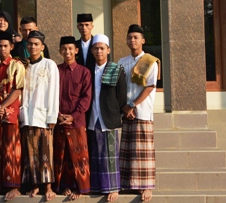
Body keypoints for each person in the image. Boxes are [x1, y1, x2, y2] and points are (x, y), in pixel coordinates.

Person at [119, 25, 159, 202]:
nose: (132, 40)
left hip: (142, 112)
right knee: (127, 151)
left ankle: (146, 187)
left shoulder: (150, 61)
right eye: (130, 37)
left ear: (143, 40)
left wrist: (133, 105)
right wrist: (124, 107)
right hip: (126, 112)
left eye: (136, 37)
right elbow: (119, 88)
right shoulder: (121, 62)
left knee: (144, 153)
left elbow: (150, 86)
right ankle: (128, 185)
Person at [19, 30, 59, 201]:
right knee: (30, 152)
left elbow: (54, 91)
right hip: (27, 115)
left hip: (43, 116)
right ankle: (35, 185)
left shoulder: (50, 65)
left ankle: (48, 187)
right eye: (30, 44)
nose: (33, 47)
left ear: (42, 47)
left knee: (45, 152)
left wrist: (52, 116)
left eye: (36, 44)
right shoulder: (24, 65)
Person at [87, 34, 127, 202]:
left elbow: (122, 96)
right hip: (92, 116)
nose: (99, 51)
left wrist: (116, 113)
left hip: (108, 116)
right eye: (96, 48)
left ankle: (113, 187)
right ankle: (96, 186)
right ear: (92, 51)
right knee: (95, 152)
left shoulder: (116, 69)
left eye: (102, 48)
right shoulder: (88, 70)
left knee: (110, 154)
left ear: (108, 50)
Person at [54, 36, 92, 200]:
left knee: (79, 157)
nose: (67, 51)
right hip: (59, 120)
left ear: (76, 51)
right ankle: (64, 186)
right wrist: (58, 115)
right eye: (64, 48)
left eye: (71, 48)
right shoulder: (55, 70)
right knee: (61, 156)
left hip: (77, 121)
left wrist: (73, 116)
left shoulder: (84, 72)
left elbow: (86, 98)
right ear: (60, 51)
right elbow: (51, 95)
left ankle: (81, 188)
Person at [0, 32, 26, 201]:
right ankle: (1, 185)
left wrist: (3, 106)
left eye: (5, 46)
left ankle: (15, 186)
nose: (2, 49)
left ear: (11, 47)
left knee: (12, 150)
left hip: (11, 113)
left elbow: (18, 88)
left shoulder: (17, 64)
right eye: (0, 46)